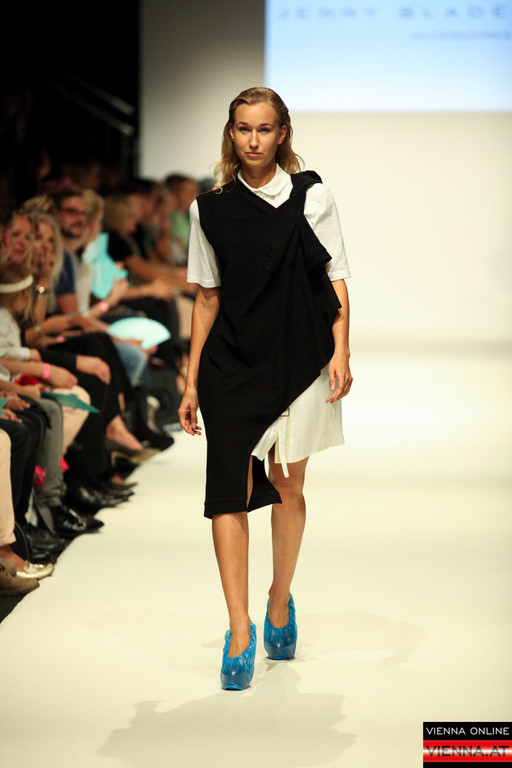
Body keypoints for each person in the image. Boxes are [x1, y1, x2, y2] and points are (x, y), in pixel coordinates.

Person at [178, 87, 352, 690]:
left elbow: (335, 275)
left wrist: (342, 349)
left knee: (288, 484)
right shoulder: (208, 209)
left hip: (299, 356)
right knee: (228, 491)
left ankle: (279, 598)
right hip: (231, 363)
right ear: (231, 133)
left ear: (283, 133)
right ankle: (239, 628)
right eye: (243, 128)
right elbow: (206, 295)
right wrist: (191, 379)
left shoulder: (312, 196)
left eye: (264, 128)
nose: (253, 139)